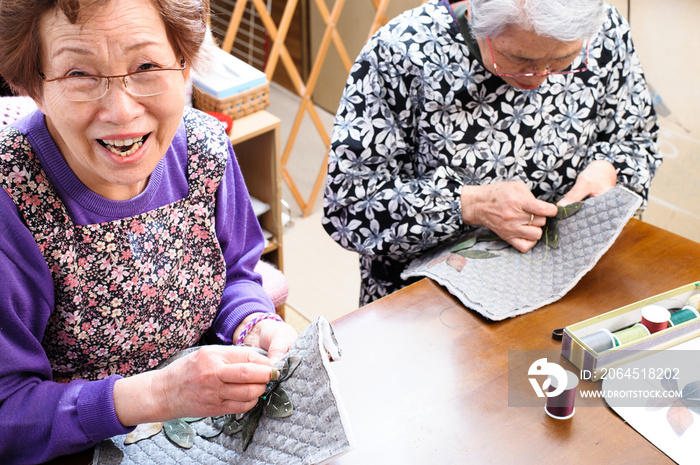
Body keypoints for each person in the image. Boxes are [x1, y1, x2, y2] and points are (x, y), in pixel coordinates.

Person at [0, 0, 298, 463]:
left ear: (185, 70)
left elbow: (234, 277)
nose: (120, 111)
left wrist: (252, 325)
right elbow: (7, 411)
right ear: (33, 86)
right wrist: (155, 395)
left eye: (146, 66)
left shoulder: (205, 151)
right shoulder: (12, 200)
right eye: (79, 74)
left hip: (200, 435)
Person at [322, 0, 661, 305]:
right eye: (520, 59)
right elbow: (349, 208)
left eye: (563, 61)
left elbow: (638, 139)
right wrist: (470, 204)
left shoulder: (606, 32)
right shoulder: (403, 52)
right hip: (430, 301)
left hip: (568, 281)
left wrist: (610, 167)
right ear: (474, 16)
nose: (539, 78)